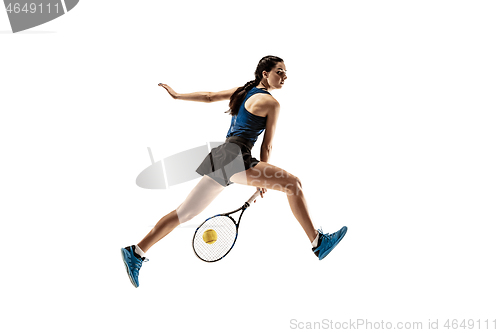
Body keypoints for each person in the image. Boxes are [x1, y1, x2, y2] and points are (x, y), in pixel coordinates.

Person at [121, 56, 347, 288]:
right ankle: (318, 242)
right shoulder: (272, 103)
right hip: (236, 157)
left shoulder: (243, 91)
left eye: (285, 72)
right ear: (265, 74)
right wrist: (264, 182)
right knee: (293, 184)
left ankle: (136, 251)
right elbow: (266, 145)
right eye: (279, 71)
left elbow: (209, 97)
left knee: (183, 214)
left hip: (221, 156)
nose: (284, 76)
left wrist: (178, 96)